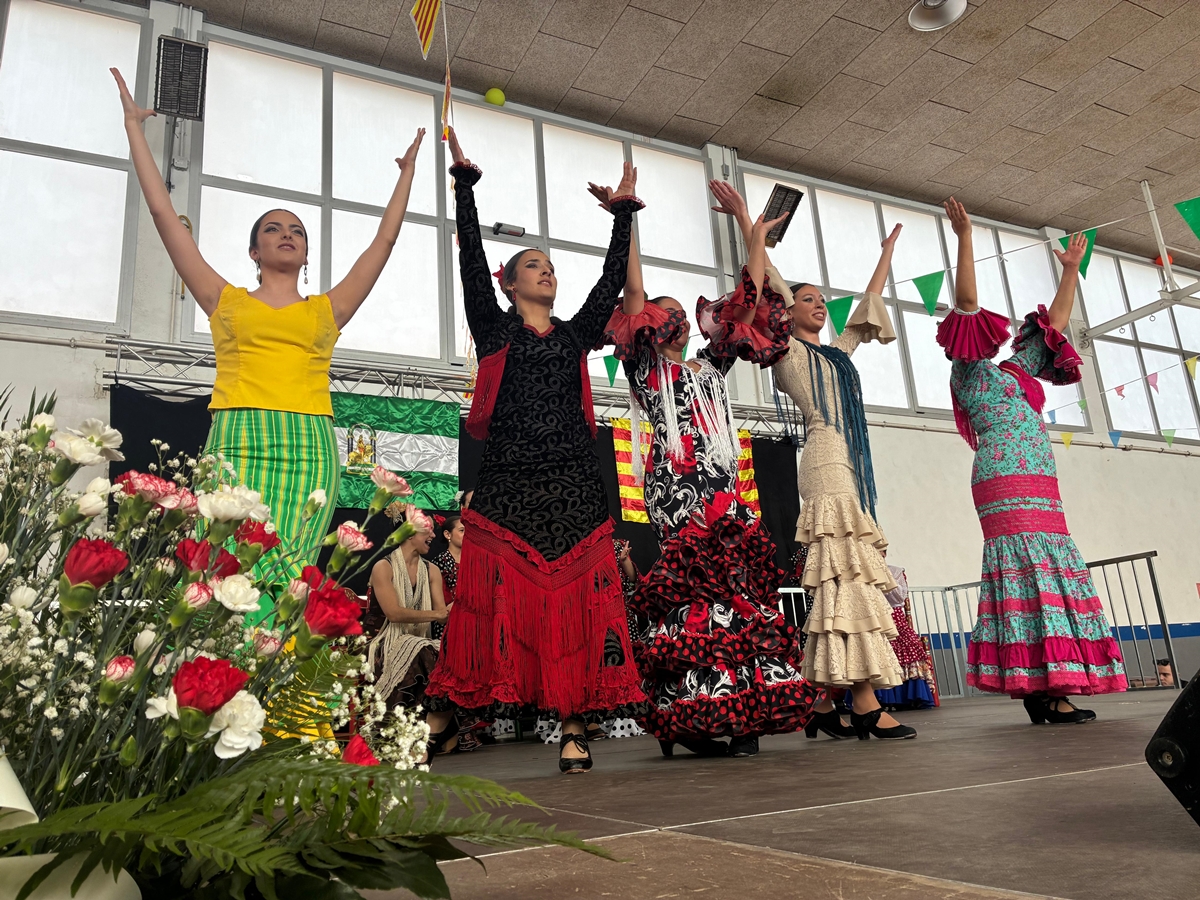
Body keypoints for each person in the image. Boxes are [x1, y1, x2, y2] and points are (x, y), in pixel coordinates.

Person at [112, 69, 425, 595]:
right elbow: (164, 215)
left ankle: (270, 669)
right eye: (273, 229)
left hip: (309, 446)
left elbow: (383, 243)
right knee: (226, 567)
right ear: (254, 251)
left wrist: (406, 176)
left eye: (297, 230)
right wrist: (133, 129)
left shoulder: (328, 309)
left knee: (288, 577)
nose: (287, 234)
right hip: (238, 437)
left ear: (305, 253)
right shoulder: (224, 300)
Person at [423, 128, 646, 774]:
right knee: (481, 611)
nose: (547, 270)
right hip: (509, 488)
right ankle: (442, 717)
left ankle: (573, 729)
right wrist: (463, 186)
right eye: (533, 265)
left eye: (550, 265)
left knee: (577, 615)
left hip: (576, 489)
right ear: (512, 284)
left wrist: (624, 215)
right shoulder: (493, 328)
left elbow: (610, 282)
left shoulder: (578, 335)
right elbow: (468, 262)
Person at [604, 191, 819, 759]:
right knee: (694, 597)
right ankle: (697, 713)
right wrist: (628, 221)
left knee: (736, 593)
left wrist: (753, 238)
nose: (672, 317)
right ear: (653, 324)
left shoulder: (710, 365)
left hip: (722, 489)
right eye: (664, 311)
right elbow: (632, 294)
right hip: (676, 491)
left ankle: (740, 706)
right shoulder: (647, 369)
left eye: (678, 312)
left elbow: (746, 307)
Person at [723, 179, 913, 740]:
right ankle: (864, 701)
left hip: (850, 462)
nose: (818, 306)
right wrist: (746, 224)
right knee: (844, 578)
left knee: (844, 580)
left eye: (821, 301)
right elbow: (771, 287)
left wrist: (885, 258)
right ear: (790, 312)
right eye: (809, 299)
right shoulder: (790, 349)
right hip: (826, 461)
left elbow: (862, 314)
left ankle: (824, 704)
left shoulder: (837, 355)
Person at [938, 198, 1126, 722]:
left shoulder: (1017, 375)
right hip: (1002, 474)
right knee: (1028, 565)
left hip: (1041, 477)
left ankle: (1043, 690)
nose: (993, 333)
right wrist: (966, 239)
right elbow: (969, 304)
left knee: (1048, 563)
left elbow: (1056, 326)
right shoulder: (969, 372)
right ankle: (1050, 688)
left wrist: (1069, 273)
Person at [365, 505, 452, 755]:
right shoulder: (384, 567)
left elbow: (443, 617)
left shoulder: (431, 570)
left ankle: (413, 734)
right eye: (428, 530)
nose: (433, 536)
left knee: (436, 650)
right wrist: (439, 614)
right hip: (381, 641)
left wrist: (461, 606)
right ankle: (403, 733)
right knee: (422, 650)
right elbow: (393, 613)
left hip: (418, 642)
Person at [874, 553, 937, 711]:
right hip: (873, 618)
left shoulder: (894, 571)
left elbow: (899, 598)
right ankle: (880, 697)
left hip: (894, 618)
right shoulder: (859, 572)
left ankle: (909, 696)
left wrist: (884, 576)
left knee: (909, 644)